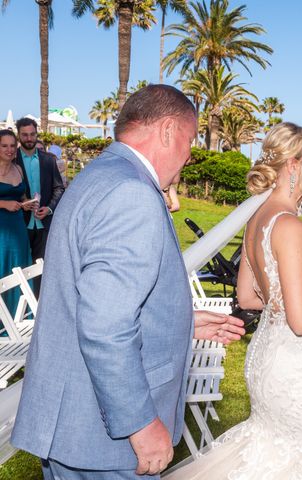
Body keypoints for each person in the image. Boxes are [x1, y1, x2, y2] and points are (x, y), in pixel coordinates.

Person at [11, 85, 246, 479]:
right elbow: (105, 326)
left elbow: (97, 298)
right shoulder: (131, 192)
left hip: (73, 422)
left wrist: (184, 320)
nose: (189, 155)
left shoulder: (100, 174)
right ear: (169, 131)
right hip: (101, 439)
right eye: (190, 140)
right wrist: (139, 424)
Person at [164, 122, 302, 479]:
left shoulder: (258, 218)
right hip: (293, 368)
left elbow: (249, 297)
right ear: (294, 165)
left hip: (267, 359)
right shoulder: (289, 225)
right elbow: (301, 321)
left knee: (270, 452)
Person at [14, 117, 64, 265]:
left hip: (44, 224)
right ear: (19, 135)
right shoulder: (11, 160)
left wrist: (49, 208)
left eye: (32, 134)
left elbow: (59, 188)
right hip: (19, 223)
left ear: (37, 134)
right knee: (19, 266)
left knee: (41, 268)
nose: (29, 138)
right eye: (25, 135)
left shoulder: (48, 160)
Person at [0, 129, 32, 318]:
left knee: (18, 269)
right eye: (4, 146)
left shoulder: (18, 169)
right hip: (1, 231)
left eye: (13, 146)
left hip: (18, 230)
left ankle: (16, 318)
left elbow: (20, 196)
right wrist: (4, 204)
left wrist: (27, 203)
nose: (10, 150)